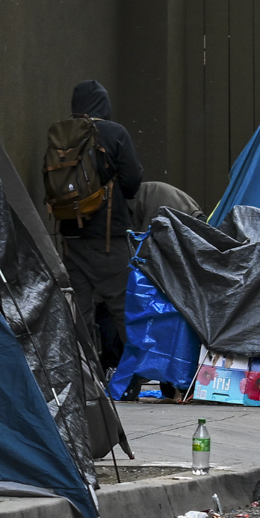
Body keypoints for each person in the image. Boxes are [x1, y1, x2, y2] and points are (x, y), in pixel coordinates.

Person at [56, 80, 144, 383]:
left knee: (79, 310)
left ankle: (81, 374)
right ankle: (136, 373)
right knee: (123, 306)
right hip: (107, 236)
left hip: (69, 237)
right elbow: (133, 181)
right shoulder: (114, 132)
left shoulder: (60, 134)